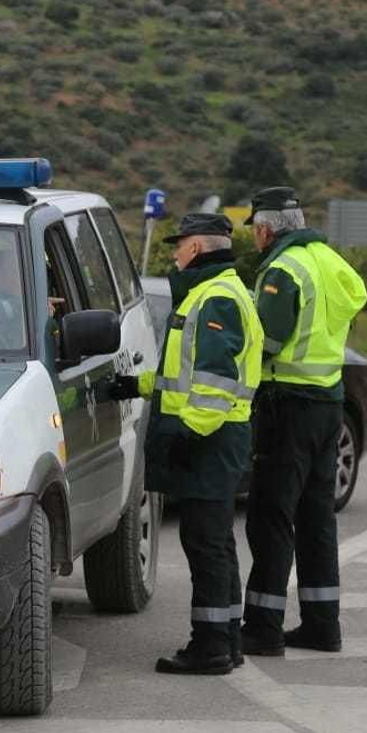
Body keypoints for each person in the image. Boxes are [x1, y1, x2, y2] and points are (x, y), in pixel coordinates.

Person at [103, 213, 263, 675]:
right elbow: (183, 373)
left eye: (180, 245)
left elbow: (213, 385)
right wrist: (137, 386)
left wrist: (188, 437)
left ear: (196, 249)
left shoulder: (214, 299)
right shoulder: (216, 293)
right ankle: (226, 639)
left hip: (209, 440)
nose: (175, 253)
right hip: (217, 439)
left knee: (207, 546)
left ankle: (210, 647)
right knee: (216, 545)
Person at [238, 187, 367, 656]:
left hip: (286, 404)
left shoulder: (283, 268)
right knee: (317, 518)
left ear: (267, 228)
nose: (255, 237)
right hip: (328, 403)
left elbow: (268, 340)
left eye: (255, 228)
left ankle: (262, 627)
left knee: (271, 515)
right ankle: (322, 624)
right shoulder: (330, 261)